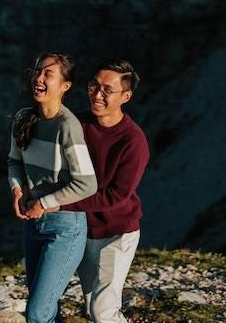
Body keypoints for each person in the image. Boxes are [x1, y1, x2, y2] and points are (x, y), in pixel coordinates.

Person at [7, 52, 98, 323]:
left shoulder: (67, 126)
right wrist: (17, 190)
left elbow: (87, 184)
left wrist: (43, 203)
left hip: (65, 228)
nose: (39, 78)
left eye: (48, 74)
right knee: (46, 307)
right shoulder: (23, 118)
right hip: (33, 224)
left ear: (65, 86)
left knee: (37, 311)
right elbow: (14, 161)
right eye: (37, 71)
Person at [63, 60, 149, 323]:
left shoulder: (133, 141)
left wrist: (60, 204)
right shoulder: (77, 123)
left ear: (126, 96)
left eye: (107, 90)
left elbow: (116, 196)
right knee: (92, 307)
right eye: (94, 85)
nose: (97, 94)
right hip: (83, 229)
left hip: (117, 233)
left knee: (103, 311)